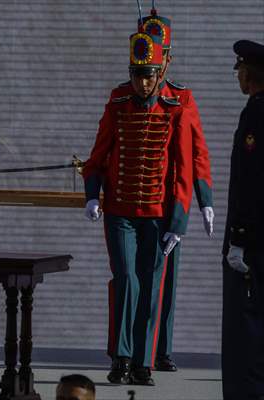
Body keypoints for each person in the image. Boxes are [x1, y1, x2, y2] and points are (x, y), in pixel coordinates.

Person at [83, 29, 193, 385]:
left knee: (150, 284)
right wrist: (91, 194)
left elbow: (183, 168)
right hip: (120, 212)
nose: (142, 83)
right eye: (136, 75)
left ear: (159, 74)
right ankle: (122, 357)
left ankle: (144, 362)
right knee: (126, 279)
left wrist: (178, 221)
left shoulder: (174, 110)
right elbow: (97, 156)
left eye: (148, 76)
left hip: (157, 216)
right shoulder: (117, 105)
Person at [107, 6, 214, 372]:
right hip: (132, 206)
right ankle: (132, 354)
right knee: (132, 280)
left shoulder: (180, 99)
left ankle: (158, 350)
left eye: (161, 52)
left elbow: (195, 154)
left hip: (168, 202)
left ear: (167, 58)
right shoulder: (125, 97)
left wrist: (204, 200)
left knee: (161, 283)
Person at [221, 39, 264, 400]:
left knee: (245, 332)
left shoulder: (256, 114)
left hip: (252, 245)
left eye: (241, 71)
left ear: (250, 74)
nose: (239, 77)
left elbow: (250, 181)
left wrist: (238, 237)